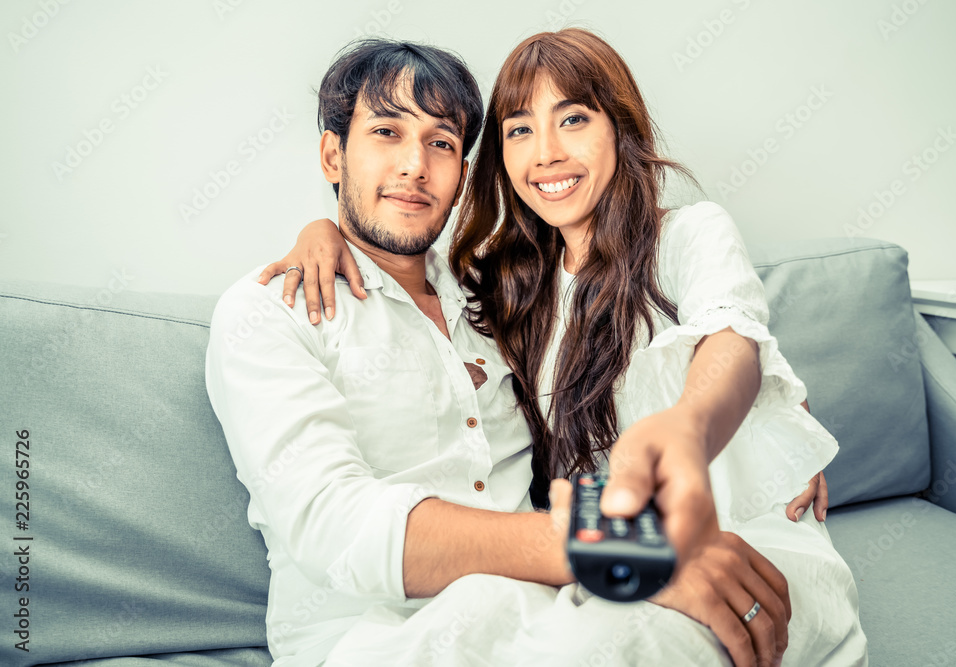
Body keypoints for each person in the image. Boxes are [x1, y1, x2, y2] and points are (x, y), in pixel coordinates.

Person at [260, 29, 868, 666]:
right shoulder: (504, 290)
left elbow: (731, 339)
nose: (546, 153)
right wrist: (323, 229)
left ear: (620, 130)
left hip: (735, 537)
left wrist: (706, 425)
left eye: (573, 118)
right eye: (520, 130)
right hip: (619, 555)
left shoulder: (688, 236)